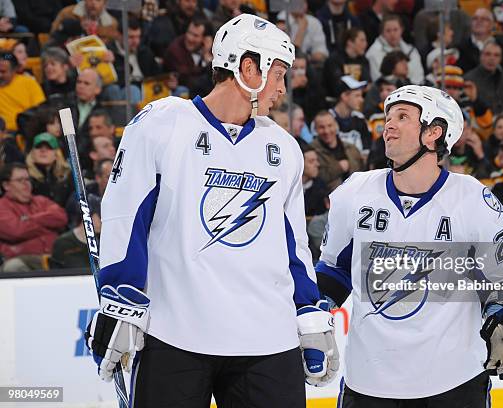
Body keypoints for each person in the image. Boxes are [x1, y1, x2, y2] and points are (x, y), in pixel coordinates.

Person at [83, 14, 338, 408]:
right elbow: (125, 215)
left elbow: (294, 244)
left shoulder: (283, 148)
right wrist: (121, 295)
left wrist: (308, 309)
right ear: (249, 68)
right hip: (176, 334)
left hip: (268, 338)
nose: (283, 89)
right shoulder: (163, 123)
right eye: (279, 74)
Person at [315, 85, 503, 406]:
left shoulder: (473, 199)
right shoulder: (356, 191)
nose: (388, 124)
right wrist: (317, 311)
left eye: (402, 116)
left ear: (433, 132)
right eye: (388, 117)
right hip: (370, 380)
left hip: (454, 381)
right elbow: (335, 271)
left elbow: (500, 280)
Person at [0, 162, 68, 272]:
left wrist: (28, 220)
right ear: (6, 185)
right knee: (13, 267)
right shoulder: (2, 206)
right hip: (23, 260)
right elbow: (16, 231)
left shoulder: (42, 201)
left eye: (27, 179)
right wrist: (47, 224)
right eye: (20, 180)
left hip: (55, 258)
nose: (26, 184)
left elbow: (61, 217)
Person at [311, 110, 364, 190]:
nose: (327, 131)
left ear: (336, 125)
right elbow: (313, 178)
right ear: (315, 129)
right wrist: (338, 167)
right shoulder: (311, 152)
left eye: (330, 126)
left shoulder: (352, 149)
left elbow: (363, 173)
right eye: (321, 127)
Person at [365, 14, 423, 85]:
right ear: (382, 32)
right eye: (388, 31)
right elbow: (378, 78)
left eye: (395, 30)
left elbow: (419, 76)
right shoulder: (374, 52)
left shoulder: (412, 51)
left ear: (402, 30)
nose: (392, 34)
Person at [0, 52, 45, 133]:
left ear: (14, 70)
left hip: (26, 132)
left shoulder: (29, 83)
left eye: (3, 72)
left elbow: (40, 110)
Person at [25, 132, 73, 206]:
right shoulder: (24, 176)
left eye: (49, 147)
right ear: (32, 153)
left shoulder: (68, 176)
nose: (43, 151)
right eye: (38, 147)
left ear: (56, 154)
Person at [329, 75, 372, 156]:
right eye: (357, 96)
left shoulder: (360, 118)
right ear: (344, 96)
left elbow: (367, 147)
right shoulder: (327, 120)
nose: (361, 100)